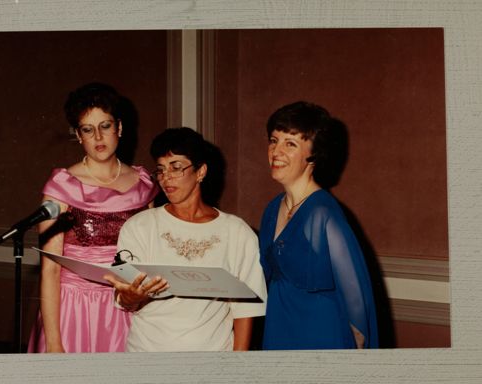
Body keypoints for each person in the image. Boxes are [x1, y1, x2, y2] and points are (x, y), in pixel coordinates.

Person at [103, 127, 267, 352]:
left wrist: (237, 367)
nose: (166, 177)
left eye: (176, 167)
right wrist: (130, 296)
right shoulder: (139, 226)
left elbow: (245, 310)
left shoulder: (237, 232)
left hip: (213, 361)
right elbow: (125, 299)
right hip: (147, 357)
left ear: (201, 172)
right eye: (161, 169)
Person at [27, 82, 159, 353]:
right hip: (73, 310)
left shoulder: (144, 185)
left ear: (119, 128)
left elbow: (151, 257)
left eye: (106, 126)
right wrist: (54, 342)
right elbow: (50, 270)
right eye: (88, 129)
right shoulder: (61, 188)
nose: (98, 137)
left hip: (126, 308)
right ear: (79, 135)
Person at [259, 101, 378, 350]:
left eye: (290, 143)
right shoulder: (272, 210)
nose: (276, 151)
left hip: (321, 334)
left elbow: (356, 298)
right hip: (279, 326)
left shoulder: (323, 213)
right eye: (273, 140)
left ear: (313, 154)